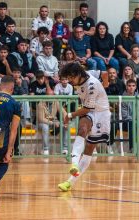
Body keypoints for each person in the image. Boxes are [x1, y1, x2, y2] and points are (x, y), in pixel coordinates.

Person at [57, 62, 111, 192]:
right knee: (81, 129)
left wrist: (69, 115)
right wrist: (106, 83)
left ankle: (70, 182)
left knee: (89, 149)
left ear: (78, 75)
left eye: (71, 78)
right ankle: (74, 163)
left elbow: (86, 109)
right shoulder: (88, 74)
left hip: (101, 114)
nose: (70, 81)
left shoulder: (91, 85)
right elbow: (104, 72)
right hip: (90, 112)